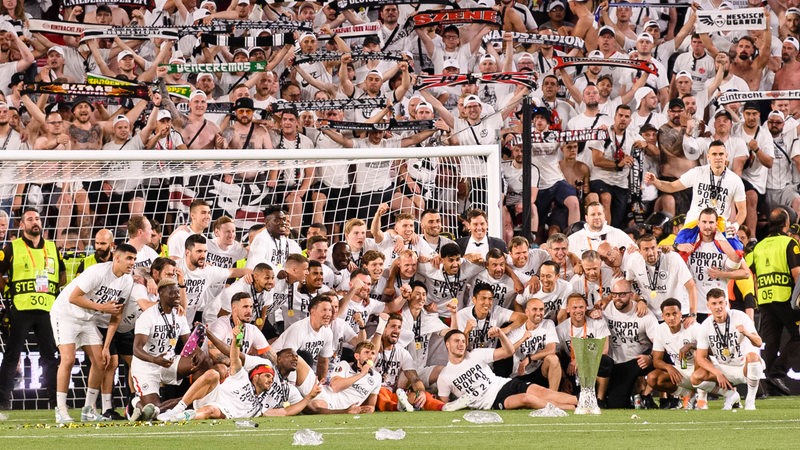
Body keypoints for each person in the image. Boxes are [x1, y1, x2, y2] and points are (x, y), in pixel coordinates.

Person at [50, 244, 138, 423]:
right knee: (68, 359)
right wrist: (101, 307)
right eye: (129, 258)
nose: (132, 263)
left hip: (88, 318)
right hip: (65, 314)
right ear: (117, 258)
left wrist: (106, 346)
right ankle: (60, 409)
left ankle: (88, 410)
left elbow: (117, 313)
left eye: (134, 259)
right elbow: (73, 297)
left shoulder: (127, 281)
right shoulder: (97, 272)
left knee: (101, 361)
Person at [0, 208, 64, 410]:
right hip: (21, 309)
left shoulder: (53, 247)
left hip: (47, 310)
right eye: (30, 219)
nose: (35, 222)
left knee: (50, 358)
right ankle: (2, 403)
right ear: (22, 225)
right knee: (11, 356)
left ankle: (56, 403)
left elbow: (61, 274)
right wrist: (8, 293)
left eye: (37, 218)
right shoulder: (12, 248)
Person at [130, 278, 211, 421]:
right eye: (172, 293)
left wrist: (198, 351)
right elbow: (136, 349)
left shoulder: (179, 315)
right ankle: (136, 403)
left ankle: (196, 396)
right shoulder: (147, 316)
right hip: (147, 366)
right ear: (161, 293)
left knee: (204, 361)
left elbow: (189, 342)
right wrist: (155, 359)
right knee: (153, 412)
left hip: (168, 362)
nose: (177, 296)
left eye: (178, 293)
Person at [437, 329, 577, 411]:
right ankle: (572, 409)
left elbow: (508, 351)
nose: (461, 344)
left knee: (543, 392)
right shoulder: (444, 376)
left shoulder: (475, 354)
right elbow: (443, 405)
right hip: (492, 401)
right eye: (457, 341)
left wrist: (500, 334)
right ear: (447, 345)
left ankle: (583, 402)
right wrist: (454, 405)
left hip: (504, 384)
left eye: (463, 341)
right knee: (526, 398)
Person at [155, 324, 273, 422]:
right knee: (213, 373)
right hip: (213, 394)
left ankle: (180, 417)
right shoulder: (242, 376)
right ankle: (176, 410)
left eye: (271, 378)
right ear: (256, 376)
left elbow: (284, 411)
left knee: (210, 410)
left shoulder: (259, 405)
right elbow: (235, 357)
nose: (270, 380)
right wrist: (236, 339)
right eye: (267, 376)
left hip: (223, 409)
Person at [745, 208, 800, 395]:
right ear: (786, 224)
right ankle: (776, 373)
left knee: (771, 341)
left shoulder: (758, 246)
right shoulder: (790, 243)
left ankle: (765, 383)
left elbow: (745, 269)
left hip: (765, 299)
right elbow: (797, 275)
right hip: (787, 299)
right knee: (798, 336)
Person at [692, 288, 764, 411]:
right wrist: (717, 373)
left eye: (721, 302)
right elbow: (700, 357)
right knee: (695, 378)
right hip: (723, 367)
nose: (718, 307)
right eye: (714, 304)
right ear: (708, 306)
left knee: (753, 357)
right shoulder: (705, 325)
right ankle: (730, 395)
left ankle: (750, 401)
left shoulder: (740, 316)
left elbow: (758, 342)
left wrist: (746, 333)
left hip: (743, 366)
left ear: (726, 303)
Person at [602, 279, 658, 409]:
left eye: (622, 294)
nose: (617, 298)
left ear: (631, 295)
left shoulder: (644, 314)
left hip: (637, 361)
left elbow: (660, 342)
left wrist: (650, 357)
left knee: (664, 358)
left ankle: (649, 395)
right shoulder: (605, 309)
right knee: (616, 405)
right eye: (614, 294)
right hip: (615, 362)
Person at [373, 313, 445, 412]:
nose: (396, 330)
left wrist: (421, 392)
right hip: (374, 393)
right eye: (393, 326)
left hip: (395, 395)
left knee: (422, 396)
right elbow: (371, 352)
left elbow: (414, 379)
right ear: (384, 329)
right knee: (381, 394)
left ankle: (443, 407)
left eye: (399, 327)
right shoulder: (373, 346)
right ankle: (398, 407)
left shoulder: (402, 352)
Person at [556, 293, 614, 406]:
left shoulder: (598, 323)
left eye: (581, 307)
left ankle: (600, 399)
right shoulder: (561, 329)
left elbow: (604, 350)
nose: (578, 310)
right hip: (572, 369)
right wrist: (564, 378)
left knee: (605, 361)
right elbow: (556, 355)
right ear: (567, 309)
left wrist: (580, 359)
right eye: (574, 307)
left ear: (586, 308)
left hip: (593, 364)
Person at [648, 298, 703, 410]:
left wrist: (691, 345)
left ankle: (702, 397)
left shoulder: (693, 327)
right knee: (652, 378)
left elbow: (711, 350)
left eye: (675, 314)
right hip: (681, 369)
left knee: (698, 354)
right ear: (663, 316)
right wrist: (668, 367)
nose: (672, 318)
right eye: (667, 315)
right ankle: (687, 395)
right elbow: (656, 360)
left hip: (702, 371)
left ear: (681, 314)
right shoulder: (660, 330)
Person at [306, 341, 381, 414]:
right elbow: (335, 387)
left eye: (373, 353)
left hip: (343, 407)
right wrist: (361, 374)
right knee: (315, 405)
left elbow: (371, 405)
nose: (370, 356)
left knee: (315, 406)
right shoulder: (344, 365)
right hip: (326, 396)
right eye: (366, 352)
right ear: (357, 356)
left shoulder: (377, 377)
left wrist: (368, 409)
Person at [509, 298, 562, 391]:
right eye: (534, 309)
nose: (538, 313)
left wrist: (529, 358)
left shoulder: (548, 324)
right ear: (527, 312)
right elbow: (508, 352)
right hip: (521, 374)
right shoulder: (516, 329)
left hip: (539, 371)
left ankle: (553, 399)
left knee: (553, 358)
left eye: (541, 309)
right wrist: (522, 339)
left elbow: (551, 349)